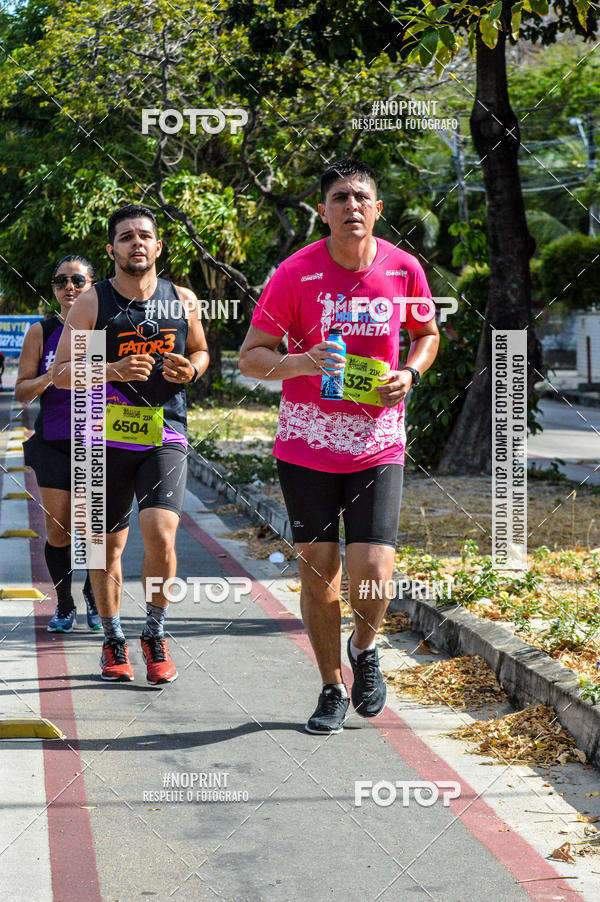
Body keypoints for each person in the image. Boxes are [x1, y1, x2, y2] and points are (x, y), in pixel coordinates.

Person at [239, 159, 440, 733]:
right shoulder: (295, 273)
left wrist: (411, 373)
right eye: (339, 198)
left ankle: (364, 647)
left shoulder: (403, 269)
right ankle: (330, 685)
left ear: (378, 209)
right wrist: (302, 362)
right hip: (307, 443)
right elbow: (251, 357)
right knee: (320, 572)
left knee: (374, 569)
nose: (352, 206)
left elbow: (427, 334)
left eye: (361, 197)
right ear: (324, 212)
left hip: (379, 441)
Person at [53, 204, 209, 686]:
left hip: (164, 433)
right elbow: (61, 374)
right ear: (111, 249)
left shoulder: (181, 300)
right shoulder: (92, 303)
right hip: (100, 437)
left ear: (158, 246)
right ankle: (113, 638)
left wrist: (193, 369)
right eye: (125, 237)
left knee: (162, 534)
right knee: (104, 546)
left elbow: (200, 350)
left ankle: (155, 633)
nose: (136, 243)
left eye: (144, 235)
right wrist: (113, 369)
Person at [16, 256, 100, 632]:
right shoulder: (41, 331)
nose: (69, 287)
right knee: (59, 529)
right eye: (60, 281)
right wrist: (53, 376)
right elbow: (22, 392)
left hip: (98, 441)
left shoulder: (106, 327)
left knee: (95, 530)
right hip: (53, 442)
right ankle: (65, 604)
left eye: (78, 280)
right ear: (53, 288)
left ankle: (95, 597)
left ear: (92, 285)